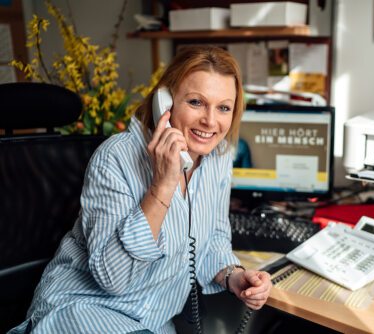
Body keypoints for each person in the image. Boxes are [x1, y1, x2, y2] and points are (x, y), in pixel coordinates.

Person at [9, 46, 272, 334]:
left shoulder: (218, 157)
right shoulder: (116, 157)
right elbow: (113, 279)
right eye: (196, 102)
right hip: (83, 310)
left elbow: (214, 240)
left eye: (223, 107)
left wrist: (234, 276)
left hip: (152, 322)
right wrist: (163, 184)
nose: (210, 121)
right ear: (166, 101)